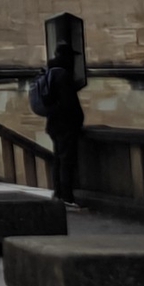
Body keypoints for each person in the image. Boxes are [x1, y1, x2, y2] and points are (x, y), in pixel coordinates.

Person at [39, 41, 86, 206]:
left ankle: (59, 194)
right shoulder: (63, 75)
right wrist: (77, 120)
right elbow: (68, 104)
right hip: (65, 125)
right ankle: (67, 197)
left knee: (58, 160)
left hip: (53, 124)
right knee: (66, 160)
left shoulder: (50, 73)